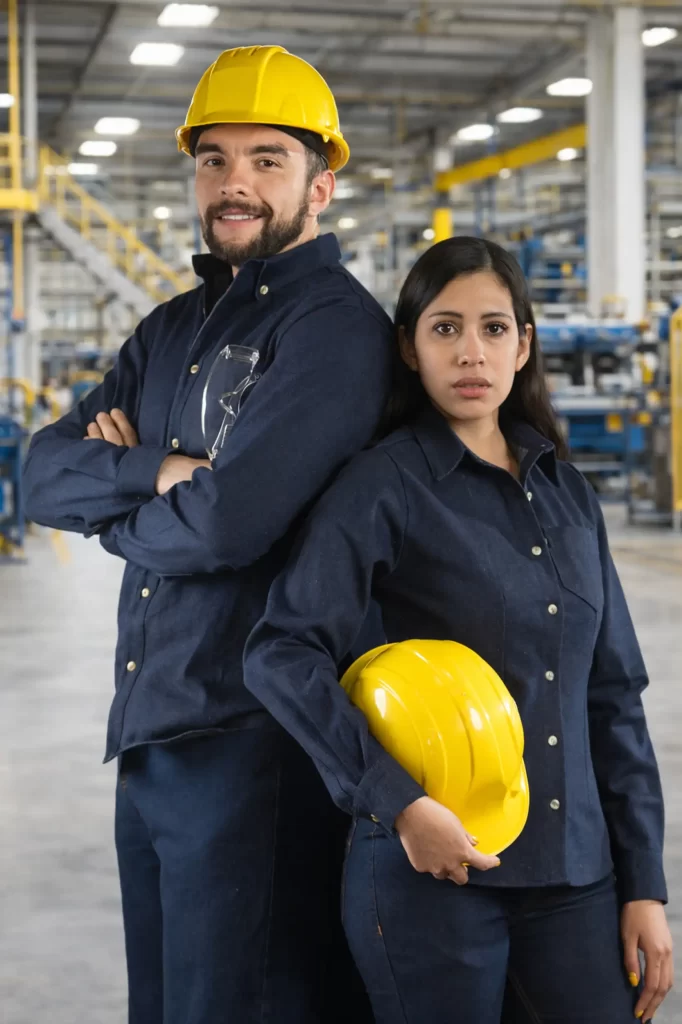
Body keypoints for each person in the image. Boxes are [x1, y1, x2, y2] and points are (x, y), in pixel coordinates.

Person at [23, 44, 387, 1024]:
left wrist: (115, 519)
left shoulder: (335, 331)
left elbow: (231, 524)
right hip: (151, 740)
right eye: (214, 158)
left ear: (322, 179)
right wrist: (153, 473)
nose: (234, 183)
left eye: (267, 158)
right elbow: (39, 473)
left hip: (254, 747)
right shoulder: (170, 328)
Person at [244, 236, 674, 1024]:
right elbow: (281, 651)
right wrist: (400, 805)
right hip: (433, 876)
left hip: (574, 875)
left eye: (493, 328)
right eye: (445, 329)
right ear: (408, 348)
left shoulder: (569, 496)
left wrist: (643, 881)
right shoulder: (383, 487)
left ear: (524, 345)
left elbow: (612, 698)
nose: (470, 352)